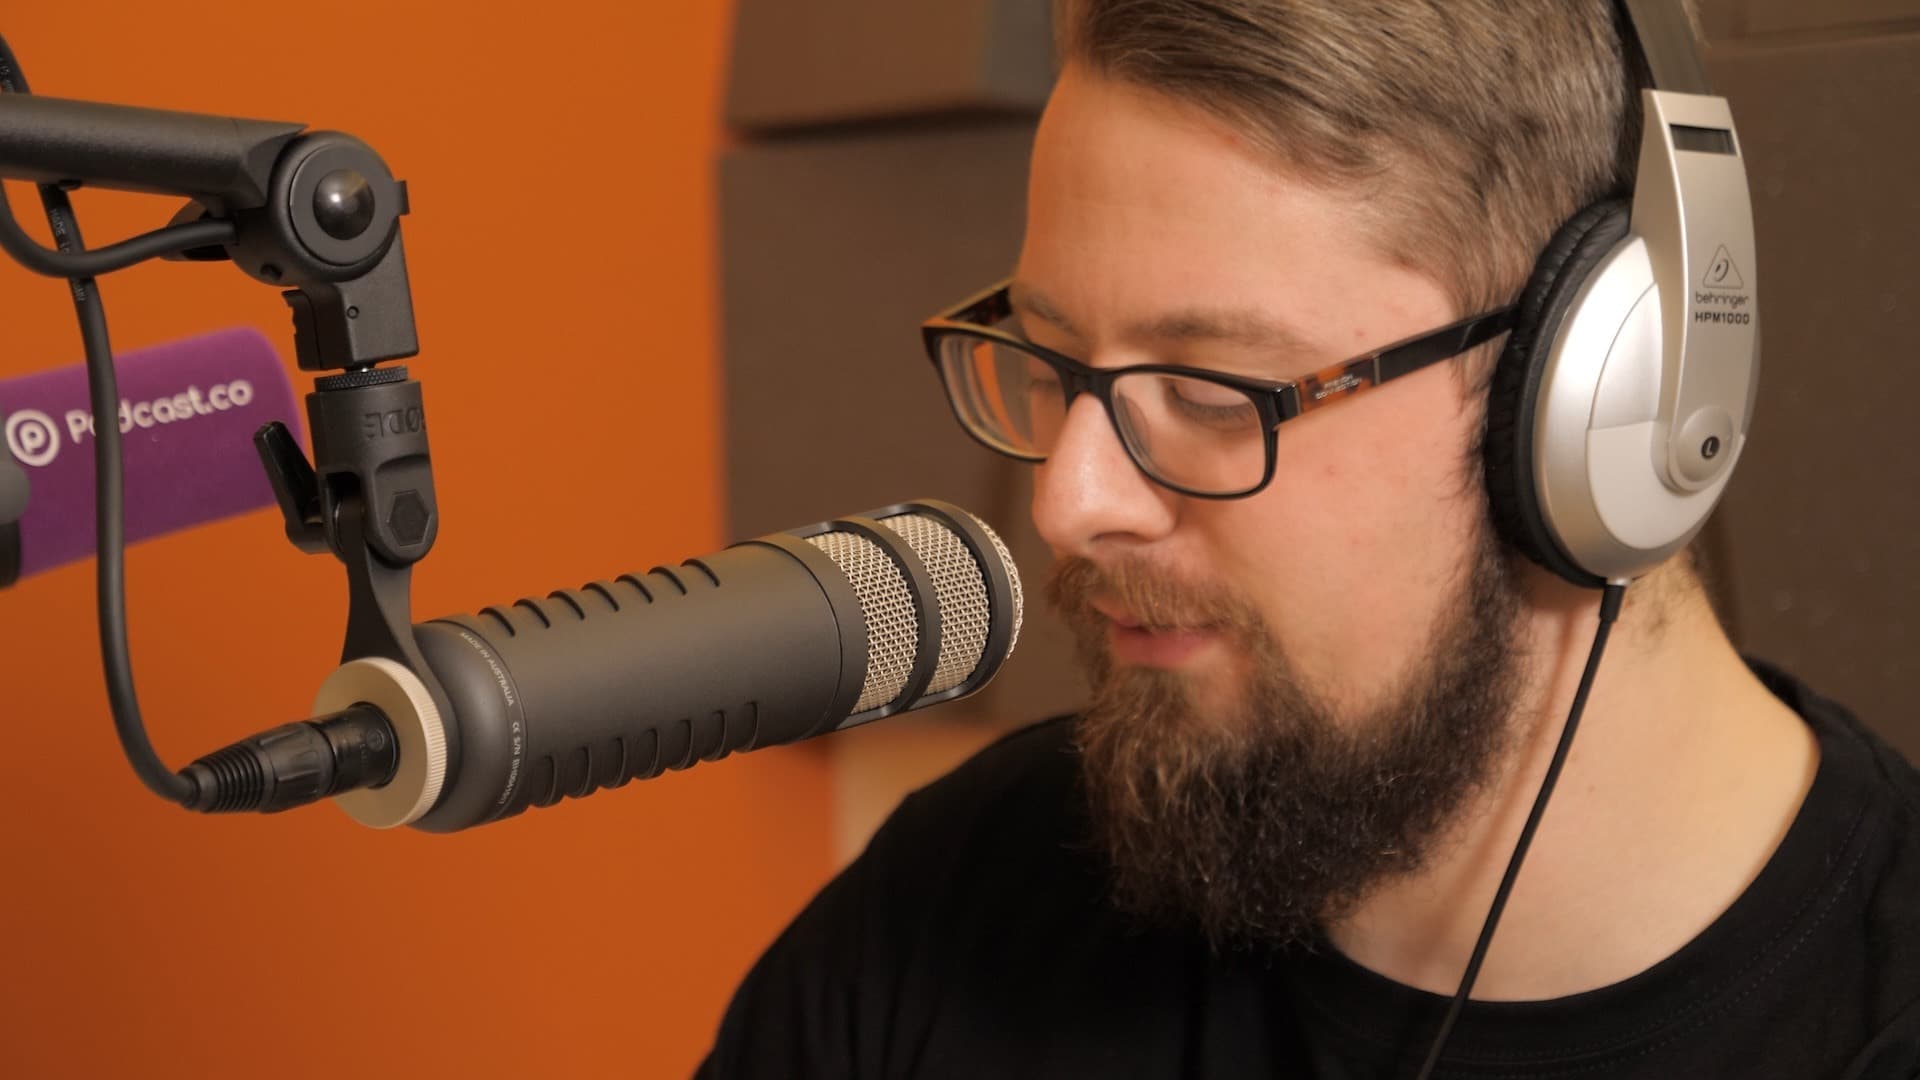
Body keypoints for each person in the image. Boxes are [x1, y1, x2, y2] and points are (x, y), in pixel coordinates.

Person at [700, 2, 1920, 1076]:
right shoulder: (948, 909)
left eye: (1218, 391)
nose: (1071, 503)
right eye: (1053, 354)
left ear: (1596, 396)